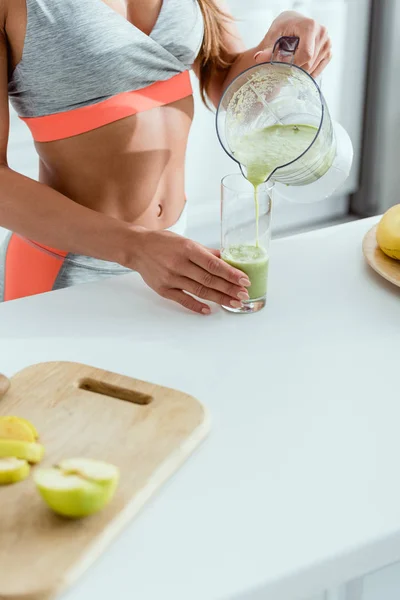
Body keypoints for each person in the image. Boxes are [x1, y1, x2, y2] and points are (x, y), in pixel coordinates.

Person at [0, 0, 331, 312]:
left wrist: (282, 47)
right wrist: (137, 247)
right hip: (71, 271)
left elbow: (226, 79)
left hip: (169, 261)